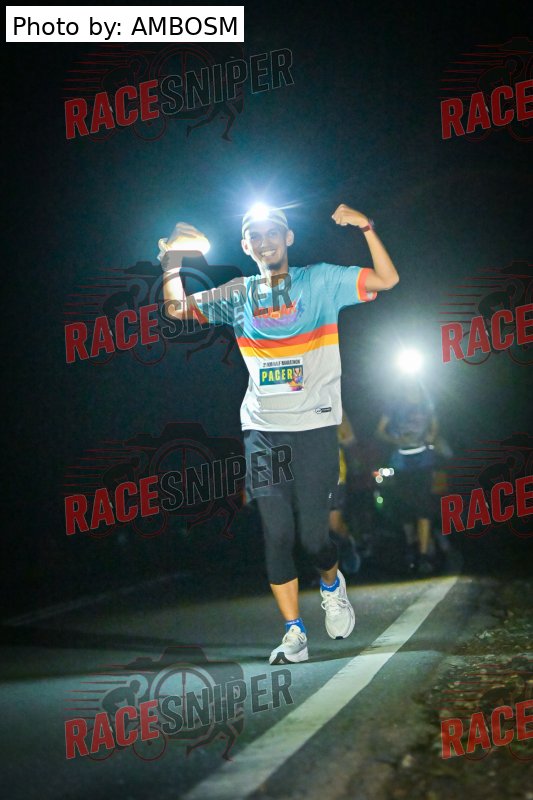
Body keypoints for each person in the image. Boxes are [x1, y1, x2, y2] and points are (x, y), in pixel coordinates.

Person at [162, 204, 399, 663]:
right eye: (255, 234)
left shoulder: (321, 281)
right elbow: (176, 309)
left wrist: (367, 226)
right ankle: (294, 632)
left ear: (288, 238)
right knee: (276, 533)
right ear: (245, 246)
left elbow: (387, 280)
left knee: (313, 539)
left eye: (273, 231)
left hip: (315, 426)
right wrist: (172, 261)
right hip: (263, 430)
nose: (265, 240)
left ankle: (331, 583)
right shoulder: (237, 294)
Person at [375, 379, 438, 573]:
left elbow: (434, 424)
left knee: (424, 507)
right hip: (401, 462)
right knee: (406, 507)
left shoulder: (427, 399)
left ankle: (423, 555)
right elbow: (379, 431)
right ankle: (412, 544)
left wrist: (430, 436)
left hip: (423, 460)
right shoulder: (395, 402)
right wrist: (395, 439)